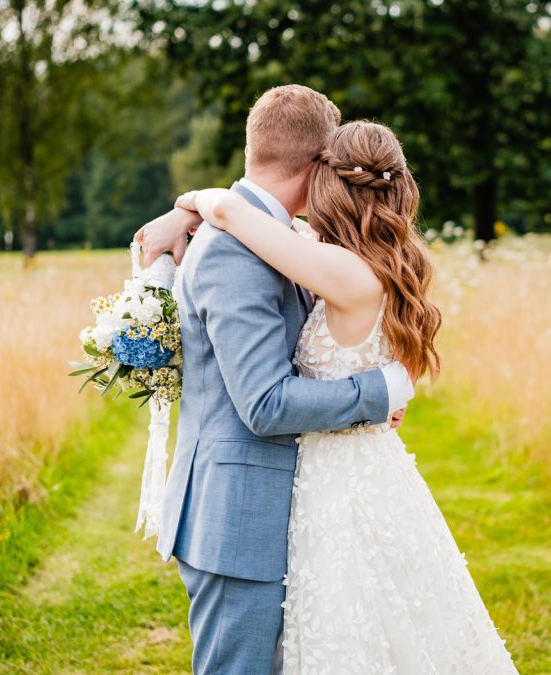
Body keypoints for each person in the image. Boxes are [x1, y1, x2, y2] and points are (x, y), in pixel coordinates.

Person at [175, 120, 518, 673]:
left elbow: (232, 211)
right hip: (351, 469)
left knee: (347, 629)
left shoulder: (337, 268)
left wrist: (195, 201)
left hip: (339, 481)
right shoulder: (357, 258)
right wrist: (181, 214)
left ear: (329, 181)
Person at [135, 86, 414, 674]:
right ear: (318, 166)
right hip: (239, 518)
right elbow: (264, 404)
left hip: (285, 510)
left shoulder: (282, 237)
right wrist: (380, 391)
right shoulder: (235, 251)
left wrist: (187, 208)